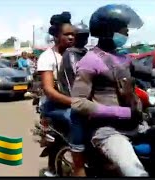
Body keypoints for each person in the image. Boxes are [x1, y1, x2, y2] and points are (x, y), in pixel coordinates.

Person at [70, 4, 155, 176]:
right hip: (109, 132)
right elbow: (78, 103)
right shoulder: (90, 61)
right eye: (123, 29)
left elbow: (151, 74)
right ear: (107, 30)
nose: (126, 33)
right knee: (137, 173)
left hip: (137, 124)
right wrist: (123, 112)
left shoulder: (122, 57)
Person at [36, 11, 75, 177]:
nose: (72, 37)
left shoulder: (76, 55)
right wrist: (74, 102)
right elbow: (49, 90)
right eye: (67, 34)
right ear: (57, 37)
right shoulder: (47, 57)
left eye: (74, 34)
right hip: (55, 106)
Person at [60, 22, 90, 176]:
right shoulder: (70, 55)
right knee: (79, 150)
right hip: (74, 102)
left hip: (90, 100)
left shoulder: (87, 53)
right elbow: (74, 83)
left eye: (86, 35)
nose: (84, 38)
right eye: (81, 35)